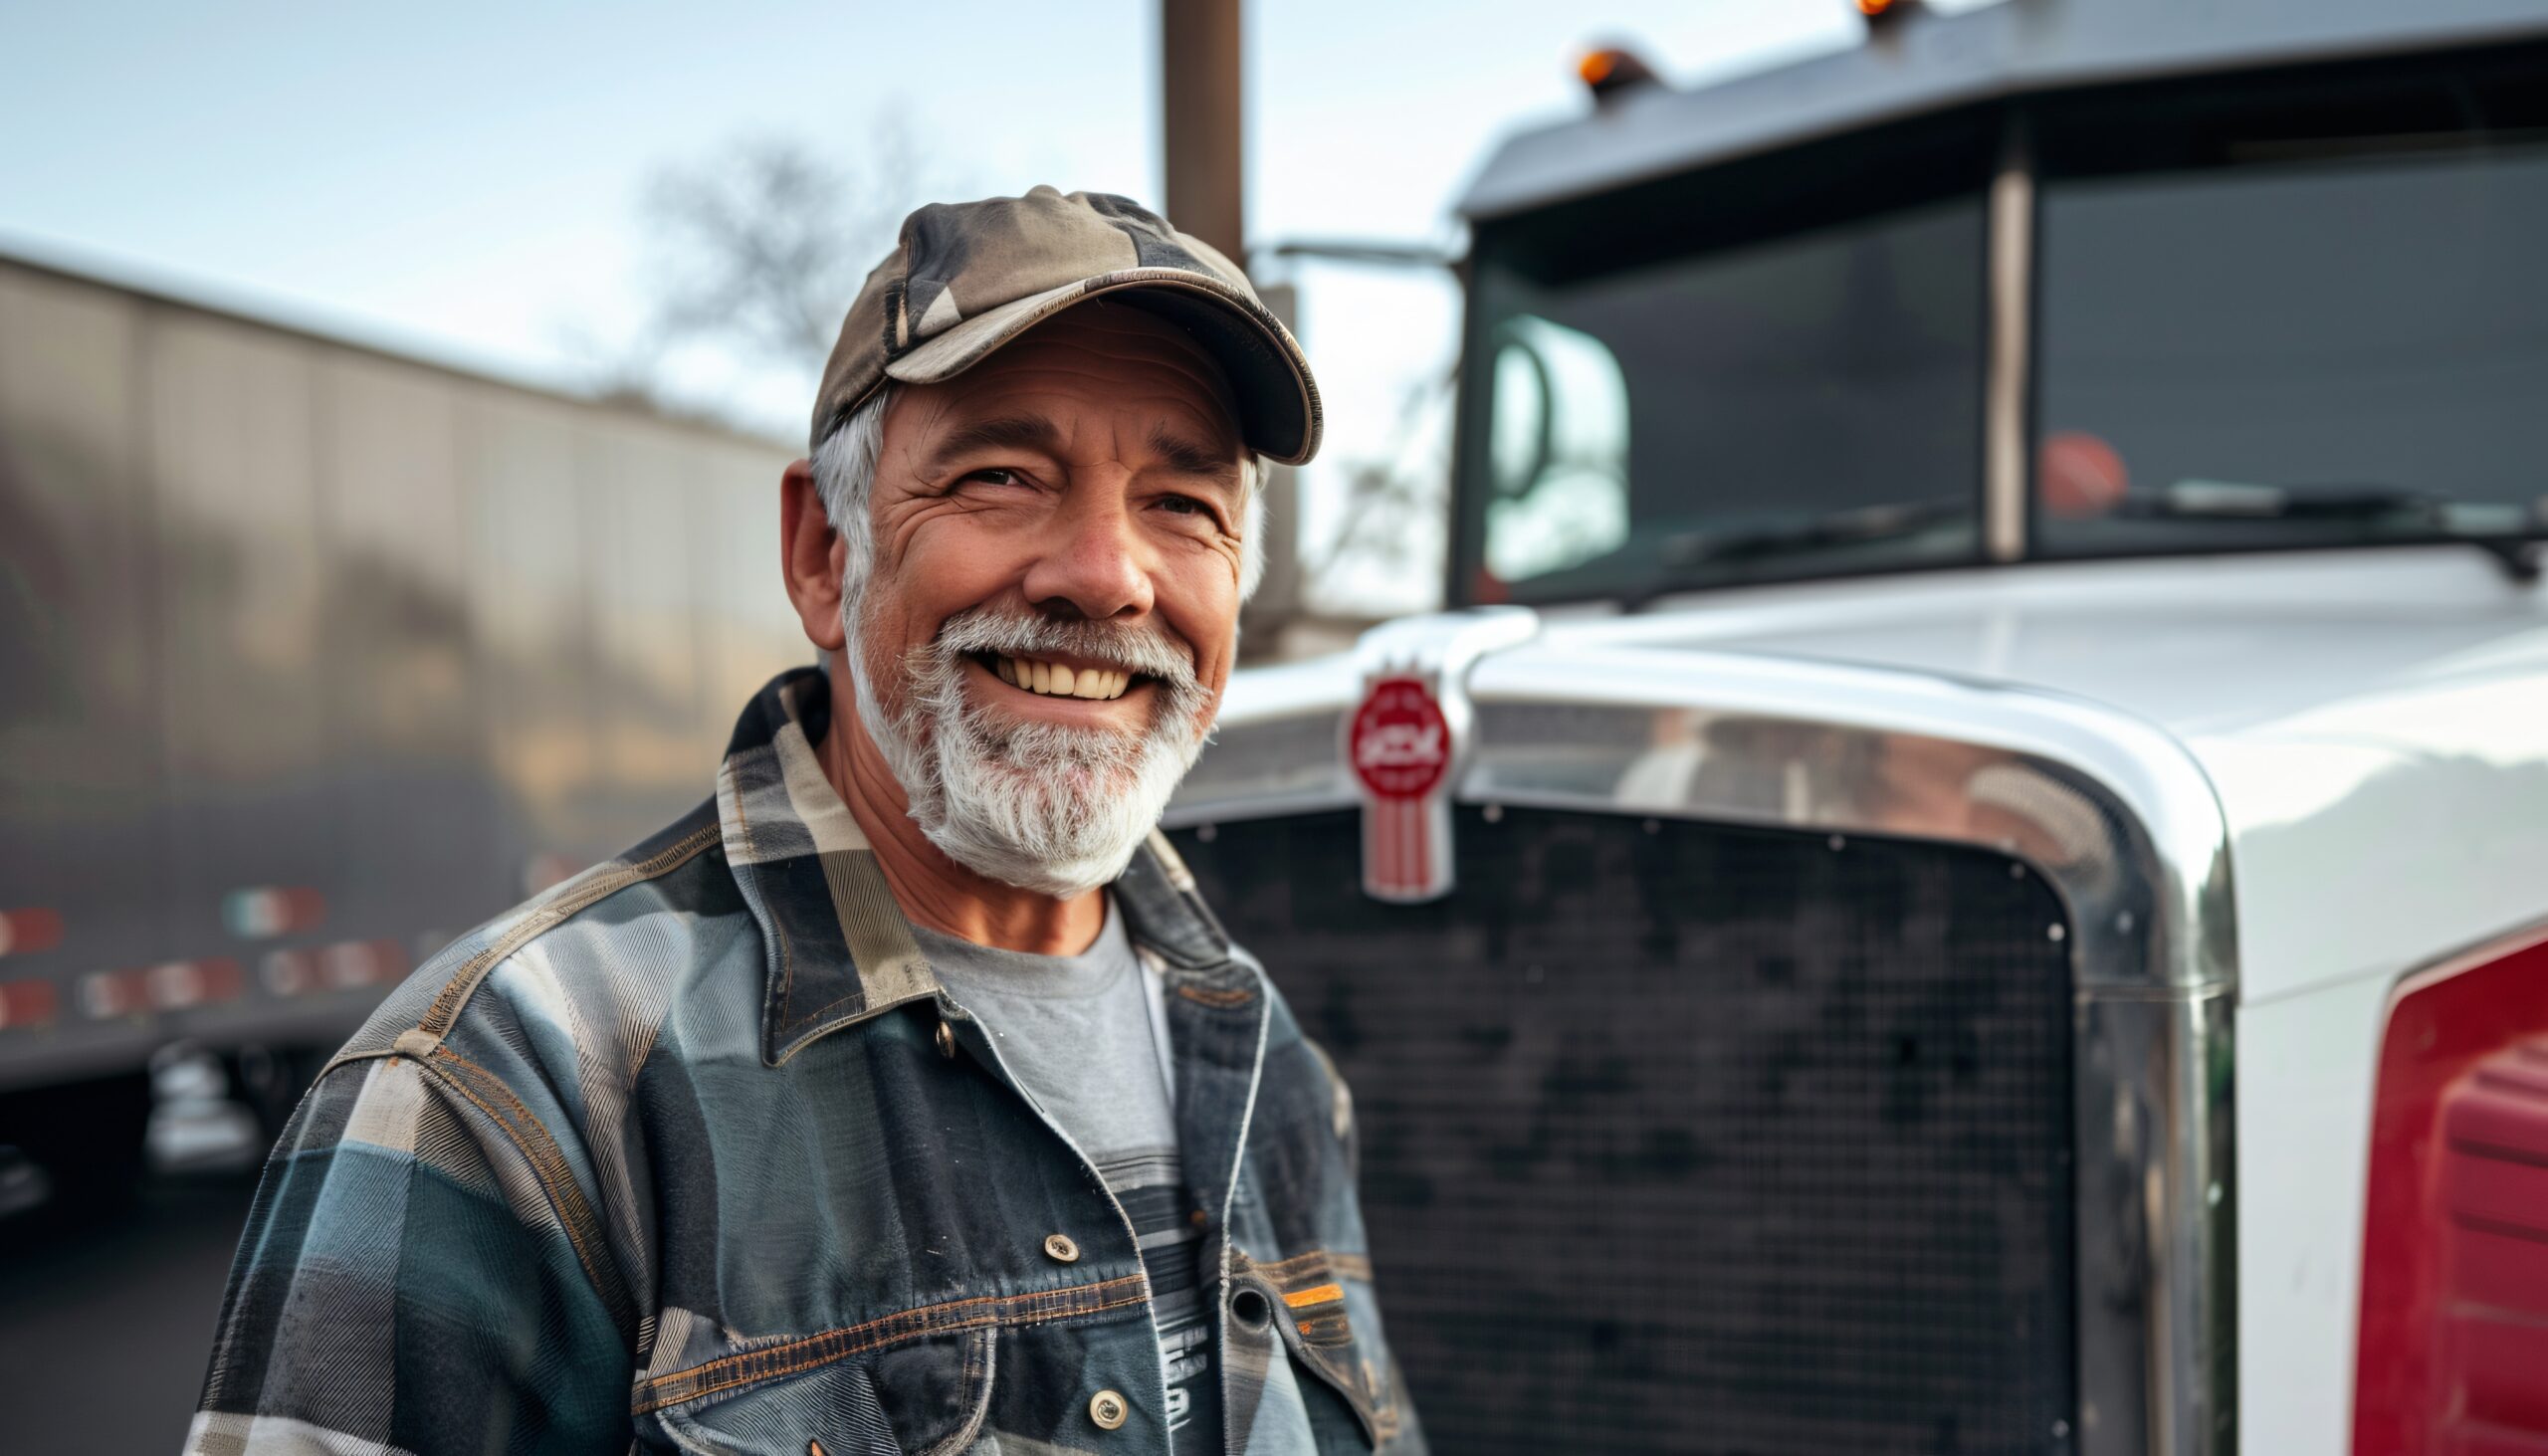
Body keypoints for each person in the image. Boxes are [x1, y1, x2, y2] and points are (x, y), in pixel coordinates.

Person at [186, 187, 1423, 1456]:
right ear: (825, 553)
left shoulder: (1265, 1053)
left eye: (1182, 504)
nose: (1107, 576)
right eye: (1002, 476)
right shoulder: (511, 1087)